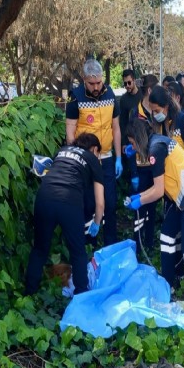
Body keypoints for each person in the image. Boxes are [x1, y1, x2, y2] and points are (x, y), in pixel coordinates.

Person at [125, 118, 184, 307]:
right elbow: (157, 188)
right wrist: (137, 197)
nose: (134, 149)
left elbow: (158, 191)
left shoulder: (156, 150)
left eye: (132, 144)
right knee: (167, 237)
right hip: (181, 196)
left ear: (138, 138)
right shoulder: (157, 142)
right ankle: (167, 286)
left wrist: (140, 200)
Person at [24, 133, 105, 296]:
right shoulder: (92, 158)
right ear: (94, 149)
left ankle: (28, 294)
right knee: (78, 252)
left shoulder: (62, 151)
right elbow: (100, 202)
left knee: (40, 248)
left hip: (44, 197)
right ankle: (81, 296)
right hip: (69, 201)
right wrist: (96, 222)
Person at [65, 59, 122, 247]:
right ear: (84, 80)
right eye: (92, 84)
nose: (97, 87)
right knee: (89, 203)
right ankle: (90, 244)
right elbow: (70, 133)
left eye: (99, 82)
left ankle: (110, 245)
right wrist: (77, 160)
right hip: (86, 161)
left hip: (106, 158)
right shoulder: (75, 97)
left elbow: (116, 128)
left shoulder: (110, 94)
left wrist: (119, 157)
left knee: (110, 203)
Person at [128, 74, 159, 254]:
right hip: (140, 168)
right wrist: (133, 173)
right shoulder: (135, 111)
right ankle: (138, 245)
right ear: (149, 91)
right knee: (139, 207)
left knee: (152, 208)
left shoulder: (158, 111)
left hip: (154, 168)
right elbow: (131, 139)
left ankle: (149, 243)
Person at [148, 86, 184, 163]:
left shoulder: (181, 120)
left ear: (166, 106)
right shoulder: (155, 124)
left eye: (157, 111)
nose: (155, 114)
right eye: (153, 111)